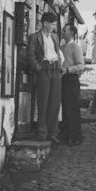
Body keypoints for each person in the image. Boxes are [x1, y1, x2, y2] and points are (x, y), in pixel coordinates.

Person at [27, 11, 62, 143]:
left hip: (55, 69)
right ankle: (42, 133)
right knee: (43, 102)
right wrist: (39, 68)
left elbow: (57, 53)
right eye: (52, 24)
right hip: (44, 68)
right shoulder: (34, 37)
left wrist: (59, 66)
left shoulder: (55, 37)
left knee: (55, 102)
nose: (54, 26)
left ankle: (53, 133)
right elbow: (30, 56)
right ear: (45, 23)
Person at [60, 23, 85, 146]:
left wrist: (68, 69)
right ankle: (66, 135)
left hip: (71, 80)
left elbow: (81, 65)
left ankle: (75, 137)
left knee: (73, 108)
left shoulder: (76, 47)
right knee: (64, 108)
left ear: (71, 33)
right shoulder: (61, 47)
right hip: (62, 80)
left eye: (64, 30)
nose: (62, 32)